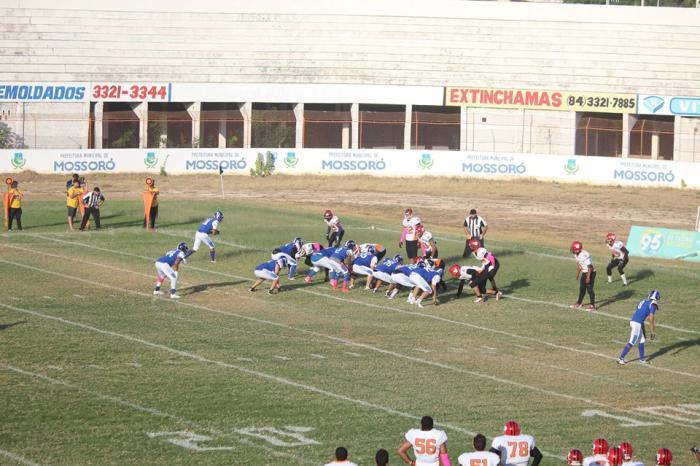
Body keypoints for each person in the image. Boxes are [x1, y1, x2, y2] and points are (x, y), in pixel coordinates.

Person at [618, 290, 660, 365]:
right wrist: (652, 332)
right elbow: (651, 319)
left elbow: (640, 315)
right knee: (632, 341)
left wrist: (643, 329)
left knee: (642, 340)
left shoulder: (644, 301)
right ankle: (621, 358)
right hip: (637, 323)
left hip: (635, 321)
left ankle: (642, 359)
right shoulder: (653, 304)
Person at [570, 241, 596, 311]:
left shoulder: (584, 255)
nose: (572, 249)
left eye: (573, 248)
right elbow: (579, 265)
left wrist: (588, 277)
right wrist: (578, 274)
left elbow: (590, 267)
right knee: (582, 289)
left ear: (578, 249)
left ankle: (592, 306)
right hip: (585, 272)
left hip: (591, 272)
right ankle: (579, 303)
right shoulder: (576, 255)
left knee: (589, 289)